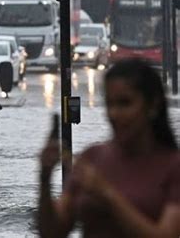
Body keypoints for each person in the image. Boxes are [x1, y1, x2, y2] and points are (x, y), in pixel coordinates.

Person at [38, 59, 180, 238]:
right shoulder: (92, 158)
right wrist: (45, 179)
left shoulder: (172, 166)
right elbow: (52, 232)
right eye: (109, 104)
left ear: (153, 105)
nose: (114, 114)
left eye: (125, 103)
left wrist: (107, 194)